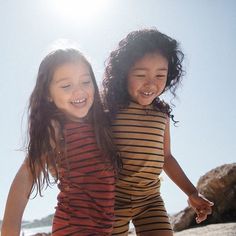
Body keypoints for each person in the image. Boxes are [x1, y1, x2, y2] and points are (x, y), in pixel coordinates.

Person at [102, 28, 214, 236]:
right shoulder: (108, 109)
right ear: (122, 74)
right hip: (111, 201)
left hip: (150, 200)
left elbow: (166, 157)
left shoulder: (161, 114)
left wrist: (192, 192)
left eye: (160, 75)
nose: (151, 83)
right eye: (141, 74)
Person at [2, 48, 121, 236]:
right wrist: (9, 231)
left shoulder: (102, 124)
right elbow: (27, 175)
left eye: (85, 81)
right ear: (48, 94)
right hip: (73, 227)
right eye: (66, 86)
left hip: (103, 229)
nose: (79, 91)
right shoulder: (57, 127)